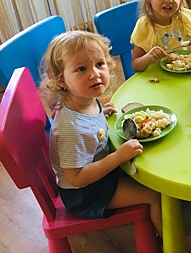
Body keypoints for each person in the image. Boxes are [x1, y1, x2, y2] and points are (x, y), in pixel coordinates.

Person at [41, 31, 164, 240]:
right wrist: (117, 158)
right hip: (86, 194)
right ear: (60, 79)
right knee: (155, 195)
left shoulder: (85, 98)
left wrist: (101, 113)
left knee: (150, 166)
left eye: (99, 64)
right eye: (81, 69)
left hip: (98, 175)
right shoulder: (71, 129)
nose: (94, 74)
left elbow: (91, 129)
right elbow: (77, 178)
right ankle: (168, 240)